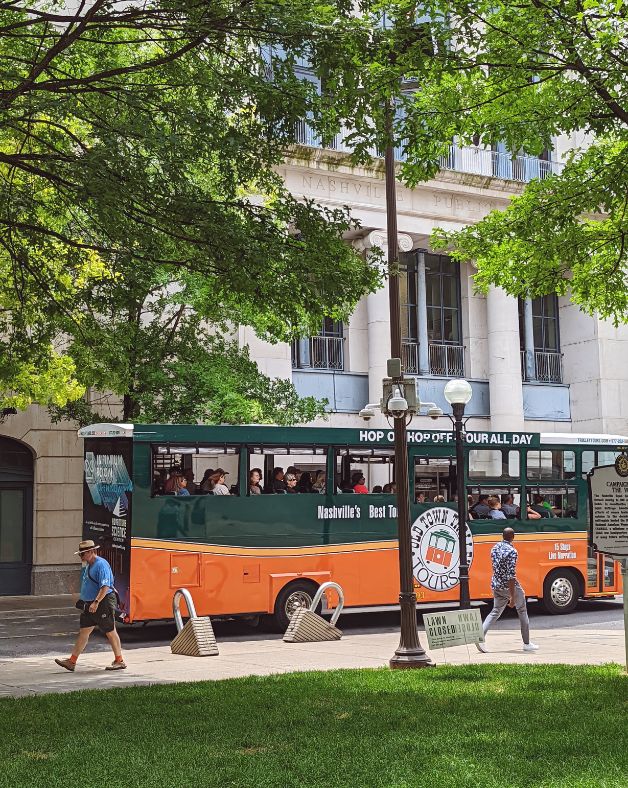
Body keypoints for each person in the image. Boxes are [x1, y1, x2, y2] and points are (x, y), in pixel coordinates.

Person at [55, 540, 126, 672]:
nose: (81, 557)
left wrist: (96, 602)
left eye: (83, 554)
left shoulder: (101, 565)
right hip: (90, 604)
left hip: (101, 602)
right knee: (84, 632)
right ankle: (72, 661)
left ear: (91, 552)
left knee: (110, 631)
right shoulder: (89, 564)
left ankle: (119, 660)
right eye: (80, 554)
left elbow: (105, 586)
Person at [476, 527, 539, 654]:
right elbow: (511, 576)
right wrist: (512, 596)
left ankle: (480, 636)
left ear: (502, 536)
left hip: (496, 584)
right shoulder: (512, 551)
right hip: (508, 586)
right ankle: (526, 643)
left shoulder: (494, 547)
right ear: (513, 537)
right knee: (522, 610)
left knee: (495, 611)